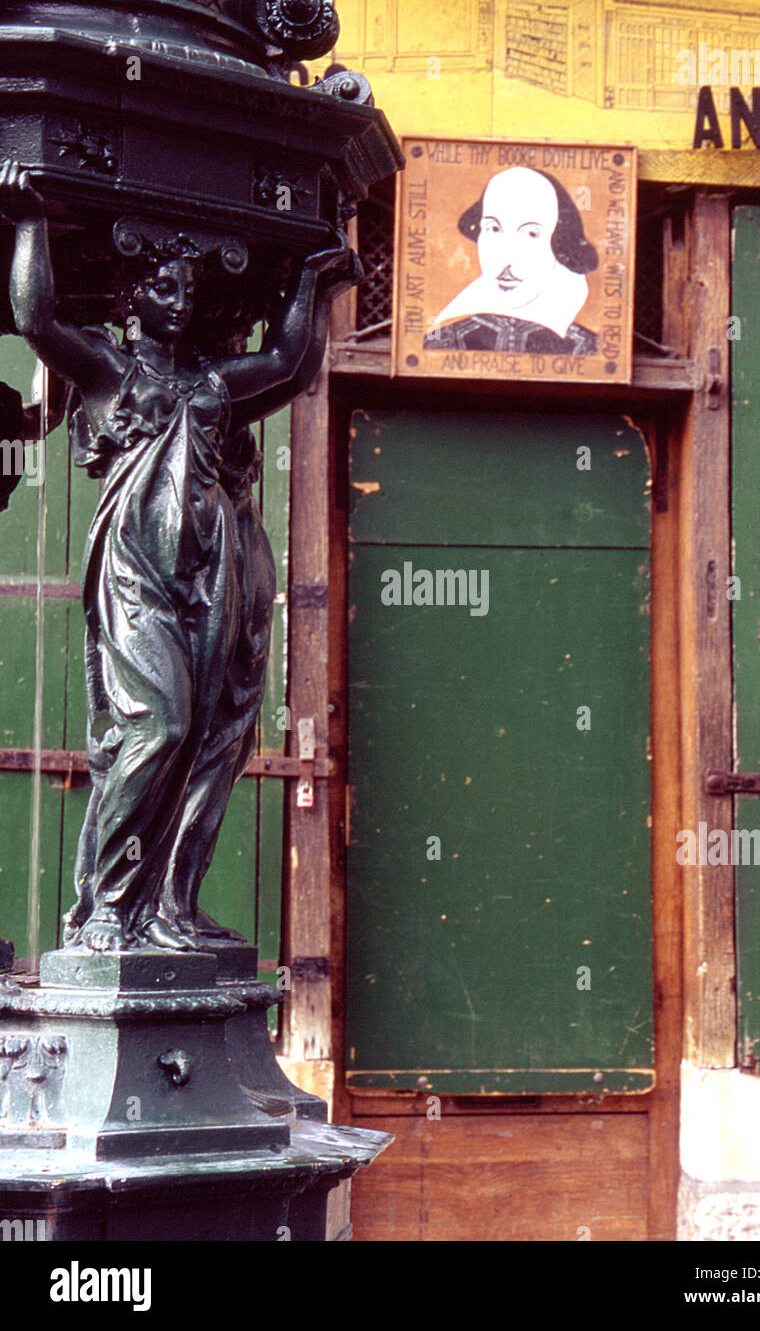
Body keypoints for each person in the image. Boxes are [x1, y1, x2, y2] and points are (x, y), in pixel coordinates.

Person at [0, 158, 357, 952]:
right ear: (131, 302)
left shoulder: (211, 387)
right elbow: (36, 321)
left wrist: (313, 286)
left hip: (209, 579)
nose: (180, 299)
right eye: (163, 288)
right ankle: (105, 906)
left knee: (212, 740)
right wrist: (30, 224)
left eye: (187, 291)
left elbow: (290, 365)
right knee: (157, 724)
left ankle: (170, 906)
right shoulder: (109, 372)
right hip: (136, 577)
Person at [424, 165, 599, 355]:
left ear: (559, 242)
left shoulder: (587, 348)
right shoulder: (443, 340)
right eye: (494, 229)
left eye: (531, 234)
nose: (507, 257)